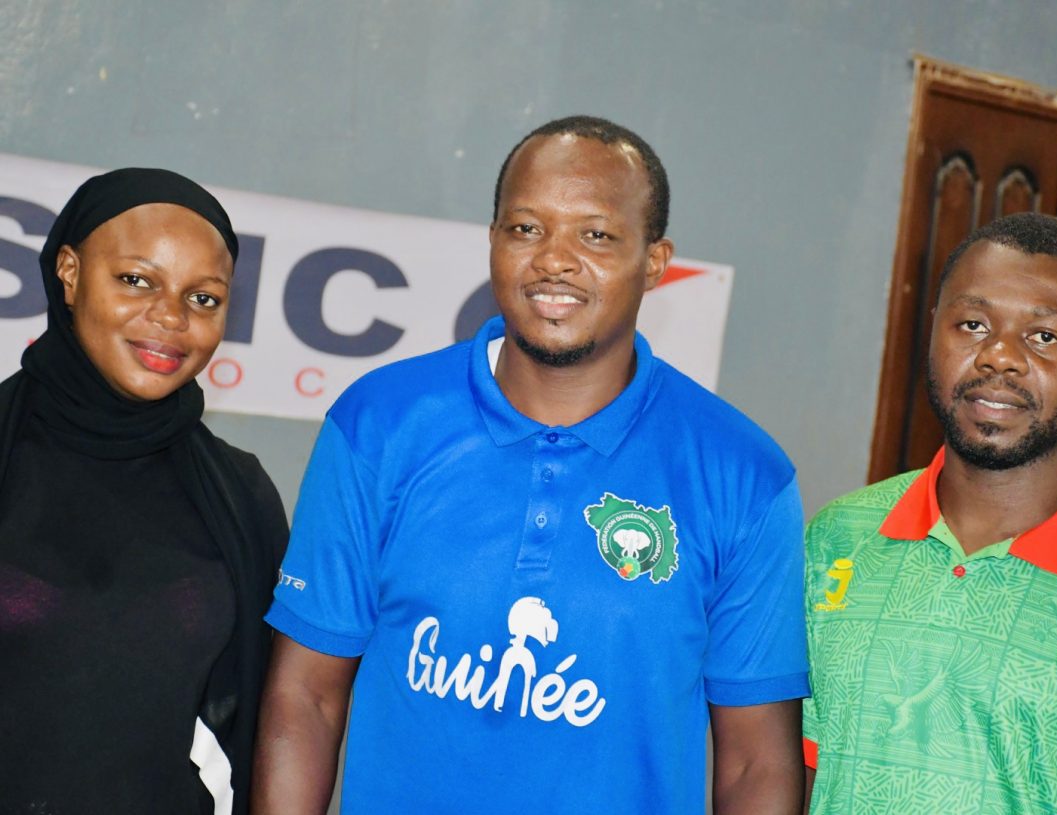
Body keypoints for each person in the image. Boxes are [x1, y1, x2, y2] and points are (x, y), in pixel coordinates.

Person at [254, 115, 808, 814]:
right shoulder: (378, 423)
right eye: (525, 228)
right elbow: (305, 696)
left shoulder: (745, 476)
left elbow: (756, 760)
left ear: (657, 261)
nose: (555, 259)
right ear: (492, 243)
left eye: (597, 234)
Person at [802, 212, 1057, 814]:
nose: (999, 357)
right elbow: (797, 771)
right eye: (974, 324)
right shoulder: (838, 537)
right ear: (933, 332)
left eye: (1044, 337)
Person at [0, 168, 289, 814]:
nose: (170, 317)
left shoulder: (240, 496)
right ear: (69, 273)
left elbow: (267, 720)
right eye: (136, 280)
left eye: (204, 298)